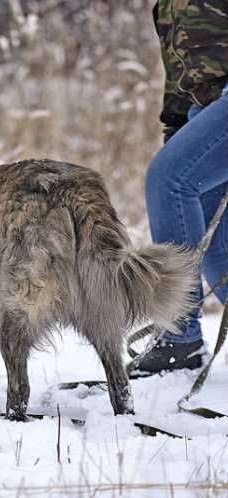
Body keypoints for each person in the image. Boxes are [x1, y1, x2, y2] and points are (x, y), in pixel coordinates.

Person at [134, 0, 228, 376]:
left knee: (169, 181)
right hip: (202, 107)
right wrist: (176, 128)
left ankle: (179, 338)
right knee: (217, 245)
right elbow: (181, 67)